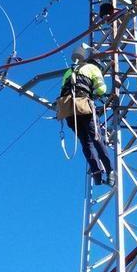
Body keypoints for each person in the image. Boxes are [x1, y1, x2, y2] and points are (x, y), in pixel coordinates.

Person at [57, 45, 115, 186]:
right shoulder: (93, 69)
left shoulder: (69, 71)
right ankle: (110, 171)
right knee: (96, 138)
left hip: (68, 111)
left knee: (86, 143)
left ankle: (96, 174)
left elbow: (62, 90)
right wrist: (95, 95)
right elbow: (101, 89)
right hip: (83, 106)